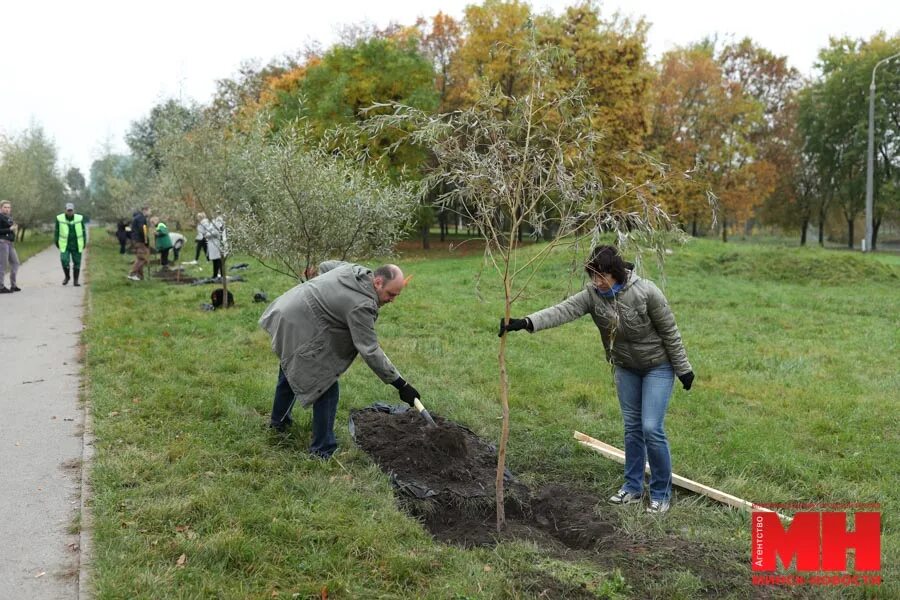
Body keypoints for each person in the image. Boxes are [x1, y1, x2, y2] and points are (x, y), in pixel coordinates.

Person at [500, 245, 694, 514]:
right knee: (633, 427)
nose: (597, 282)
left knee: (651, 427)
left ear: (615, 273)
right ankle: (633, 488)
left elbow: (670, 331)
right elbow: (562, 310)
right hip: (625, 367)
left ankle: (661, 492)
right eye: (593, 276)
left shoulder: (646, 292)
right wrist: (526, 322)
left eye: (602, 277)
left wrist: (683, 369)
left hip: (657, 366)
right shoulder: (593, 295)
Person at [259, 261, 421, 458]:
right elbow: (369, 350)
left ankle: (279, 424)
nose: (392, 300)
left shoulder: (354, 271)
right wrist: (401, 384)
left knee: (291, 369)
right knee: (325, 384)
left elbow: (326, 266)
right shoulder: (362, 305)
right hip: (300, 323)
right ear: (377, 282)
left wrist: (322, 294)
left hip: (287, 307)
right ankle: (322, 450)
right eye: (391, 294)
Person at [55, 202, 87, 287]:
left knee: (77, 262)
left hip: (76, 244)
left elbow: (83, 231)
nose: (70, 212)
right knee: (64, 260)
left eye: (71, 210)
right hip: (65, 244)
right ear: (65, 210)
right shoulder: (60, 218)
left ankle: (76, 281)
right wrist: (56, 241)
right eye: (68, 210)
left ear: (73, 210)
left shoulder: (79, 218)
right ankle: (67, 276)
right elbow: (57, 231)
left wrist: (84, 241)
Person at [0, 200, 21, 293]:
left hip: (10, 243)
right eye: (5, 207)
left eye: (9, 207)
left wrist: (14, 228)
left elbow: (11, 228)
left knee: (16, 263)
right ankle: (1, 287)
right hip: (2, 242)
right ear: (1, 208)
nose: (7, 209)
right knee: (2, 265)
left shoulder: (9, 217)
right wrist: (9, 229)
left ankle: (13, 285)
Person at [128, 206, 151, 281]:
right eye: (149, 211)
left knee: (139, 257)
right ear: (145, 210)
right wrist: (146, 241)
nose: (150, 212)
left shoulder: (137, 217)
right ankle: (133, 274)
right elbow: (143, 230)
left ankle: (140, 276)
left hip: (135, 240)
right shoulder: (141, 218)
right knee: (143, 258)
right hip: (140, 240)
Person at [201, 215, 226, 280]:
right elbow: (208, 230)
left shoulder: (218, 221)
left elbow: (216, 232)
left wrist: (208, 234)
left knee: (219, 260)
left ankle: (222, 275)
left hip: (216, 243)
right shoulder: (213, 221)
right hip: (212, 244)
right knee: (215, 260)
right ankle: (215, 275)